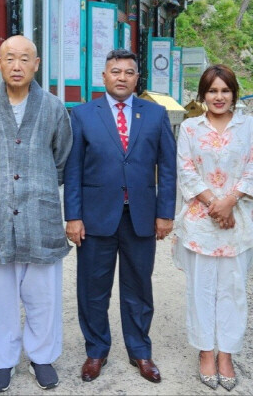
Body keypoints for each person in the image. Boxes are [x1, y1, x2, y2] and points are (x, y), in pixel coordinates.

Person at [64, 49, 177, 384]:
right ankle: (96, 350)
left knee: (138, 287)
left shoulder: (155, 115)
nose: (122, 77)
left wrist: (165, 213)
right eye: (115, 71)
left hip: (141, 216)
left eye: (129, 72)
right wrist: (73, 216)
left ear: (136, 78)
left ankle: (140, 350)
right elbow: (73, 171)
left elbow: (167, 170)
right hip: (95, 216)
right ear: (104, 77)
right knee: (92, 289)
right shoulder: (83, 114)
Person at [0, 35, 72, 392]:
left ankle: (42, 357)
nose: (17, 65)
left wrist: (38, 183)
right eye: (9, 58)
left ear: (37, 63)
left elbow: (61, 158)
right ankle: (1, 360)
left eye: (24, 59)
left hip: (40, 212)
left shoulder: (54, 107)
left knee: (43, 293)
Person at [173, 64, 253, 391]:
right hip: (201, 222)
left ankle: (226, 354)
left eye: (225, 90)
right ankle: (205, 352)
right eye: (212, 91)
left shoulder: (249, 126)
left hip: (236, 222)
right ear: (203, 95)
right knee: (202, 290)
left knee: (232, 291)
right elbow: (186, 171)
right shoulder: (190, 129)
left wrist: (230, 202)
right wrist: (215, 203)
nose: (219, 97)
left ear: (234, 93)